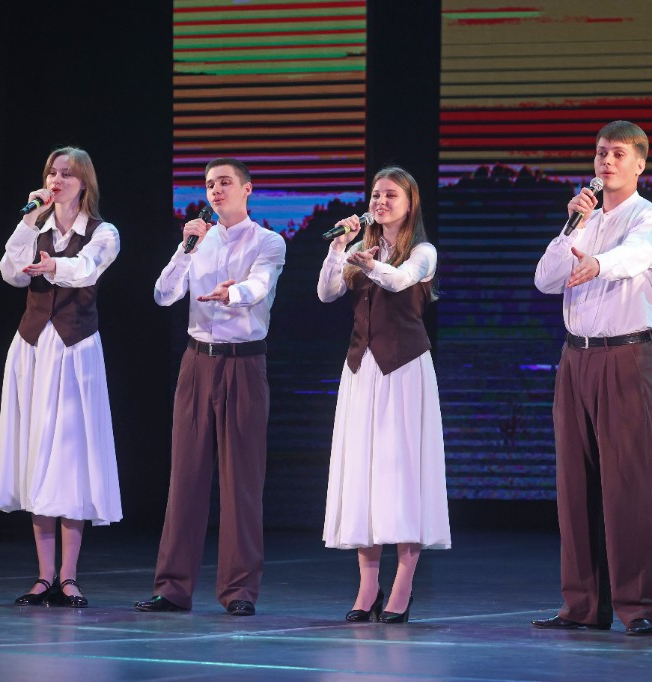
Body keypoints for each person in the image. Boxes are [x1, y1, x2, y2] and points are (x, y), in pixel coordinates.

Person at [532, 121, 652, 636]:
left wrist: (598, 263)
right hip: (576, 357)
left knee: (629, 484)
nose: (606, 162)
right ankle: (583, 606)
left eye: (617, 154)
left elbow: (639, 255)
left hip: (625, 356)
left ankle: (639, 606)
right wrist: (572, 228)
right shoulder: (583, 218)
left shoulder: (651, 217)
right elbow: (545, 279)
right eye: (599, 153)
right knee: (575, 484)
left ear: (640, 164)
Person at [135, 157, 285, 615]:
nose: (215, 190)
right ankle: (172, 588)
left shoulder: (268, 241)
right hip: (197, 363)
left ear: (247, 189)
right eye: (209, 184)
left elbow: (260, 285)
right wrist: (186, 250)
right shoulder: (197, 240)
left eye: (224, 182)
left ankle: (239, 591)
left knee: (241, 482)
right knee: (186, 478)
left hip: (244, 364)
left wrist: (231, 293)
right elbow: (163, 295)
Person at [318, 166, 451, 624]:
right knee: (364, 473)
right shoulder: (359, 247)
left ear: (409, 204)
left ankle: (403, 584)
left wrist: (369, 263)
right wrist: (339, 249)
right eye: (376, 194)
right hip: (363, 370)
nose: (380, 202)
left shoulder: (424, 252)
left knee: (403, 472)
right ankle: (368, 585)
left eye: (391, 195)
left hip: (405, 370)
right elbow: (326, 293)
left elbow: (398, 280)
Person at [0, 146, 122, 609]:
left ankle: (69, 577)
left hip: (74, 350)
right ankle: (43, 576)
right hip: (33, 348)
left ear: (83, 182)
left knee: (69, 457)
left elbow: (86, 269)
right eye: (52, 172)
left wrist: (53, 266)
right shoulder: (37, 227)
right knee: (36, 454)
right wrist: (29, 221)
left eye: (66, 173)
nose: (57, 179)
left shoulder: (103, 232)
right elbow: (10, 273)